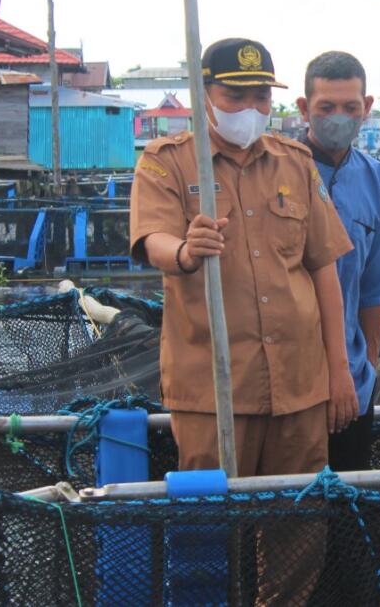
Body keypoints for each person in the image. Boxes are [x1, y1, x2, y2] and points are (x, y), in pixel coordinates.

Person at [129, 37, 358, 478]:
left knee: (299, 520)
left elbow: (324, 268)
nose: (249, 108)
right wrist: (186, 251)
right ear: (205, 95)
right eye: (235, 96)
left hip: (300, 387)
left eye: (261, 96)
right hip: (212, 392)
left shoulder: (296, 162)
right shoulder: (167, 161)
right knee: (211, 524)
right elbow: (153, 239)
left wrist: (339, 371)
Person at [296, 51, 380, 471]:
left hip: (352, 385)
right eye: (326, 108)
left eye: (350, 107)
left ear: (367, 108)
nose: (338, 117)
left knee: (347, 511)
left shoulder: (379, 180)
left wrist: (367, 375)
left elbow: (376, 290)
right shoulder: (279, 171)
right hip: (290, 381)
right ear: (305, 109)